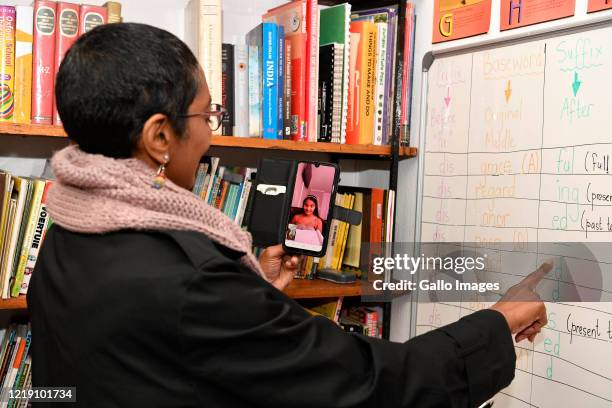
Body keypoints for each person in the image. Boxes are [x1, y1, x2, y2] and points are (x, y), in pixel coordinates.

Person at [28, 23, 549, 408]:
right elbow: (364, 385)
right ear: (160, 136)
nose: (210, 136)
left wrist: (256, 299)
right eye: (207, 115)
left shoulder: (66, 234)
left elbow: (147, 362)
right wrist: (496, 326)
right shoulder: (193, 278)